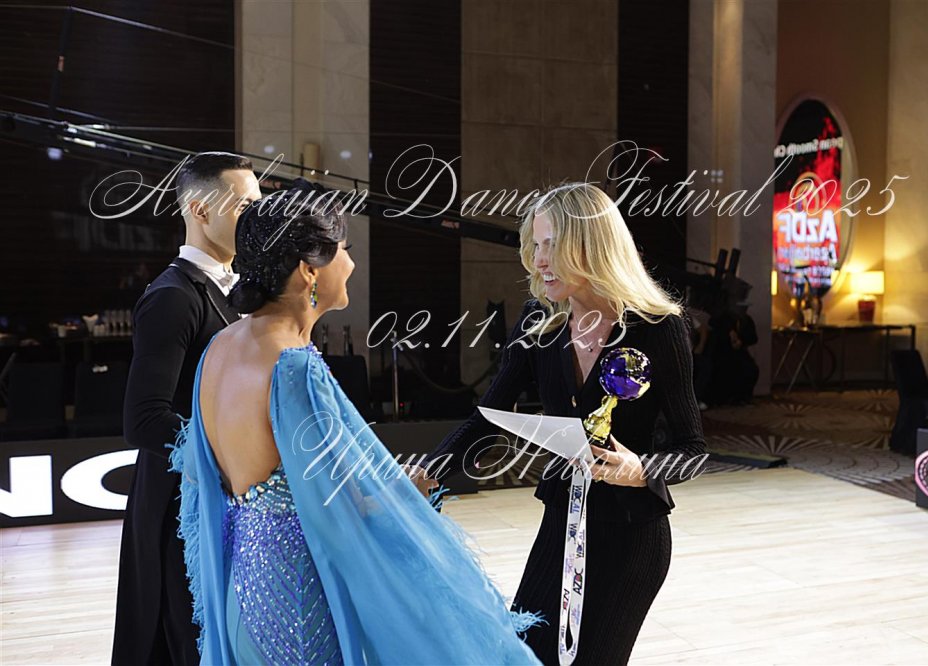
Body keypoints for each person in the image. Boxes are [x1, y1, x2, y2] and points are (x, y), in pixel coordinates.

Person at [169, 181, 543, 665]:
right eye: (344, 250)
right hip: (298, 598)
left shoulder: (220, 348)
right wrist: (403, 493)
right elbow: (338, 505)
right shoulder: (292, 366)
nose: (351, 264)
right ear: (309, 270)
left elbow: (209, 479)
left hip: (243, 586)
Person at [420, 182, 707, 666]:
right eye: (535, 245)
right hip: (562, 526)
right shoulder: (539, 323)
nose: (538, 260)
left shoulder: (658, 327)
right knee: (522, 655)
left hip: (631, 538)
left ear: (591, 245)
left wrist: (640, 469)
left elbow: (693, 450)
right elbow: (488, 418)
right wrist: (429, 472)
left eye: (551, 245)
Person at [112, 152, 261, 665]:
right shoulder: (173, 297)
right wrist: (234, 454)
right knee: (183, 637)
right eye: (244, 207)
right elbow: (144, 419)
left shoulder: (237, 291)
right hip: (180, 502)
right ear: (199, 210)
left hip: (223, 494)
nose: (255, 219)